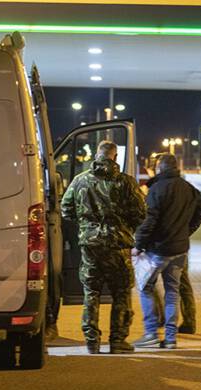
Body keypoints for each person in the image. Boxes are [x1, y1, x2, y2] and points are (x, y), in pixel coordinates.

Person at [61, 140, 146, 354]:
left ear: (97, 155)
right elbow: (141, 212)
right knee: (121, 292)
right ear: (115, 157)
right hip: (118, 245)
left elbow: (66, 209)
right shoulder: (126, 182)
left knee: (91, 292)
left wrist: (85, 227)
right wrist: (125, 227)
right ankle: (117, 340)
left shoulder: (80, 181)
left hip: (91, 246)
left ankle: (92, 341)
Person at [133, 154, 201, 349]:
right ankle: (171, 338)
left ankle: (150, 333)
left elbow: (149, 221)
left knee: (145, 287)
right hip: (180, 249)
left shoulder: (156, 190)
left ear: (159, 168)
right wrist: (186, 231)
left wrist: (138, 244)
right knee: (172, 292)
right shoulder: (189, 189)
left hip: (158, 249)